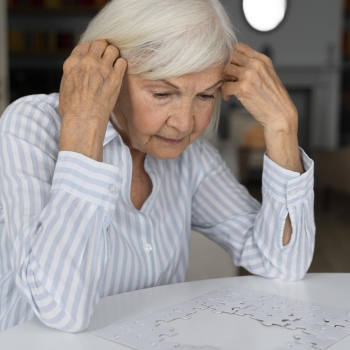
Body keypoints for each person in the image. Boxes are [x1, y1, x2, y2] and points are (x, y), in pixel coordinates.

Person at [0, 0, 315, 333]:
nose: (183, 124)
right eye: (163, 93)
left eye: (205, 96)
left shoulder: (193, 161)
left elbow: (284, 262)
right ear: (108, 72)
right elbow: (61, 310)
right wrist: (85, 125)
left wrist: (282, 125)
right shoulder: (31, 127)